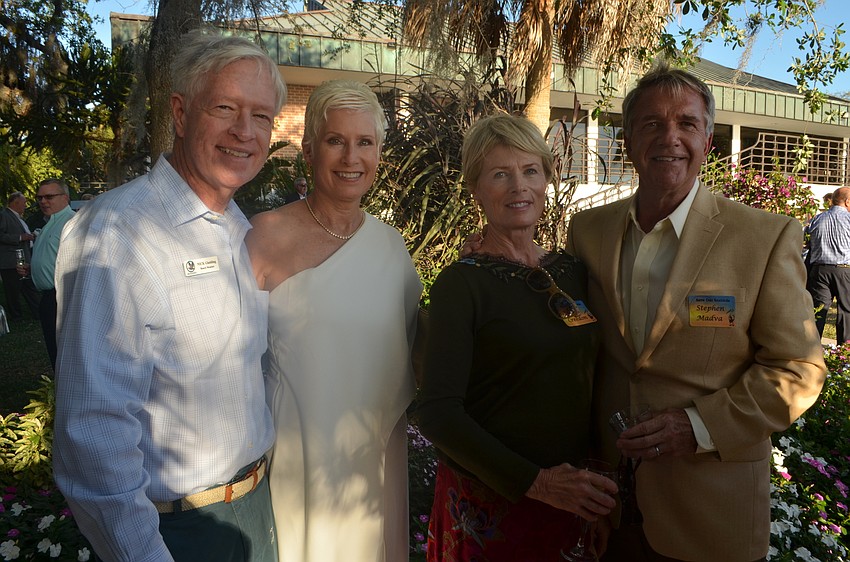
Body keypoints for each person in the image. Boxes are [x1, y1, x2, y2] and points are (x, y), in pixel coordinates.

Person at [565, 63, 826, 561]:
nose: (670, 138)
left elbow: (800, 369)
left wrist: (698, 426)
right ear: (627, 142)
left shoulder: (764, 238)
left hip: (712, 513)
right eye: (651, 124)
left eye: (686, 123)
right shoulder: (588, 232)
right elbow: (577, 345)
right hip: (611, 510)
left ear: (708, 141)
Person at [52, 30, 287, 562]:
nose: (244, 132)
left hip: (255, 510)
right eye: (225, 108)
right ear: (181, 114)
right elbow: (92, 438)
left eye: (261, 117)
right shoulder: (117, 232)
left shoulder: (238, 229)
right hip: (174, 532)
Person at [416, 113, 616, 562]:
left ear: (546, 178)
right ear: (476, 189)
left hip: (571, 502)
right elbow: (437, 414)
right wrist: (538, 483)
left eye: (530, 171)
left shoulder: (573, 272)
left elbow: (588, 386)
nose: (518, 187)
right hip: (491, 510)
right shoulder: (460, 284)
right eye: (500, 174)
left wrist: (594, 499)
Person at [246, 79, 421, 562]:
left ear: (380, 154)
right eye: (335, 141)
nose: (351, 158)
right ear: (308, 150)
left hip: (374, 464)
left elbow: (419, 352)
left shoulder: (392, 249)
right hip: (295, 461)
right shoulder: (263, 237)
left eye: (365, 142)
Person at [17, 179, 73, 368]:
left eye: (49, 196)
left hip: (63, 297)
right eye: (39, 197)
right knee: (54, 351)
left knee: (63, 353)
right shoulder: (49, 223)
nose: (43, 201)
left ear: (65, 197)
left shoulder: (70, 223)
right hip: (49, 298)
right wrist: (33, 268)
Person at [805, 186, 850, 343]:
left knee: (818, 311)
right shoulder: (848, 220)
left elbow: (807, 241)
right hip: (844, 270)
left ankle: (811, 349)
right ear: (847, 201)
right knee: (846, 311)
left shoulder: (818, 218)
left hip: (819, 270)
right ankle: (844, 351)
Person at [0, 192, 36, 319]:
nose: (25, 205)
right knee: (13, 290)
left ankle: (36, 312)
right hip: (10, 261)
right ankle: (16, 316)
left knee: (28, 287)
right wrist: (20, 237)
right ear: (15, 203)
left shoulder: (17, 217)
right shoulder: (4, 215)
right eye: (24, 202)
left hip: (23, 259)